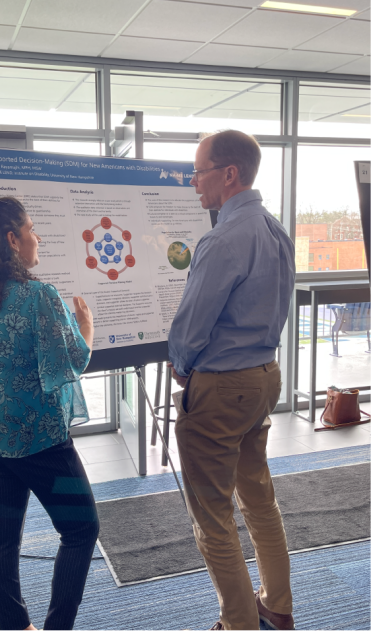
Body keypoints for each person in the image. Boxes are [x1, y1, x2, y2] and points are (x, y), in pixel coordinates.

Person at [0, 197, 99, 631]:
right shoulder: (40, 298)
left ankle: (15, 626)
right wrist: (85, 328)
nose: (38, 237)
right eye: (32, 229)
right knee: (82, 530)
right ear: (12, 240)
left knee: (3, 538)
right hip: (43, 443)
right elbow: (70, 360)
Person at [168, 130, 295, 631]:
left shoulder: (223, 238)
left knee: (213, 516)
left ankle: (238, 624)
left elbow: (192, 325)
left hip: (221, 389)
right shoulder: (275, 229)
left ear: (229, 174)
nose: (193, 181)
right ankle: (277, 609)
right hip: (264, 378)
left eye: (198, 171)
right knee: (259, 499)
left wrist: (180, 363)